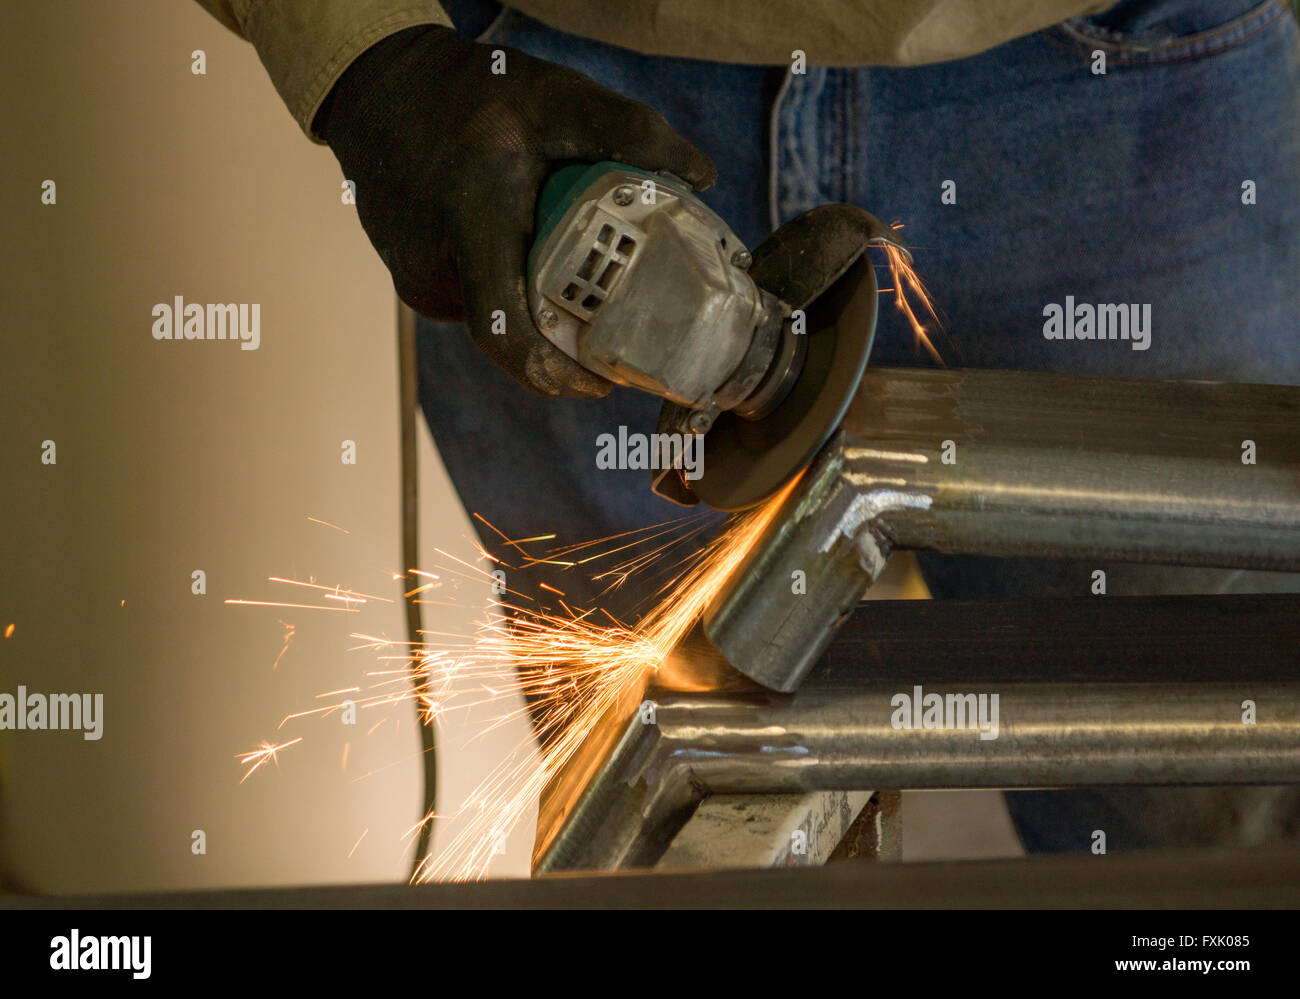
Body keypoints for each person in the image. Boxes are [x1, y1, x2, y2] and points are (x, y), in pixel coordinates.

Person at [196, 0, 1300, 853]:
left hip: (1133, 88)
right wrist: (368, 57)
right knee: (662, 804)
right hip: (537, 99)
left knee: (1207, 812)